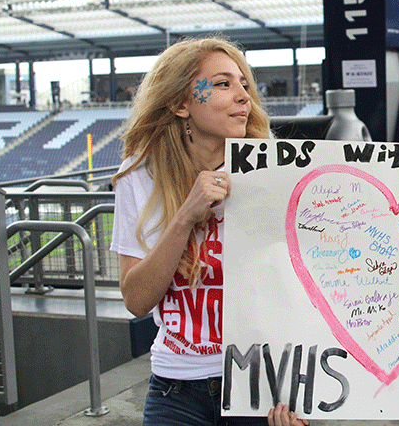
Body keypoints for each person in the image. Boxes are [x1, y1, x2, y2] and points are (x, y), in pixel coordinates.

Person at [110, 37, 307, 426]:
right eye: (222, 84)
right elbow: (136, 300)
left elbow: (307, 290)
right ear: (180, 103)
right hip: (176, 389)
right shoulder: (139, 175)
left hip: (263, 386)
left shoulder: (278, 171)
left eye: (244, 85)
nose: (243, 97)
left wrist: (303, 392)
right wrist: (184, 217)